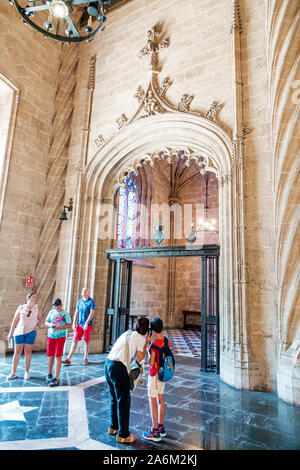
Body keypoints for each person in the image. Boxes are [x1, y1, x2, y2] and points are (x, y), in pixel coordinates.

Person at [104, 317, 152, 445]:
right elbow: (140, 357)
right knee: (124, 401)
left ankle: (113, 427)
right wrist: (147, 342)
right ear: (146, 330)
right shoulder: (140, 338)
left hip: (108, 364)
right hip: (118, 368)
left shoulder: (128, 332)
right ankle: (123, 435)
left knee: (114, 398)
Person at [142, 317, 171, 442]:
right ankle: (161, 427)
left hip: (154, 375)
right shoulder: (166, 340)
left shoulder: (154, 345)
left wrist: (147, 344)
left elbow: (151, 362)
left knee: (152, 400)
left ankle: (154, 431)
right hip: (163, 375)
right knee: (161, 399)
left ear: (152, 330)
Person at [6, 293, 41, 380]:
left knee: (28, 352)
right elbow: (14, 321)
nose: (34, 299)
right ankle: (13, 372)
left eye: (35, 297)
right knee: (17, 352)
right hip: (19, 332)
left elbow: (40, 319)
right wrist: (10, 333)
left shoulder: (36, 308)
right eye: (33, 297)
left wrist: (36, 327)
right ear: (28, 298)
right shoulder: (21, 307)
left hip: (31, 332)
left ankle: (27, 372)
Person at [62, 287, 95, 366]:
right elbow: (76, 312)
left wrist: (87, 323)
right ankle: (69, 358)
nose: (84, 292)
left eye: (86, 290)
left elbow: (92, 313)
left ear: (88, 292)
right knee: (75, 340)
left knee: (86, 341)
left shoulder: (91, 302)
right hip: (79, 324)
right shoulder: (80, 301)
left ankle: (85, 358)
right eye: (83, 290)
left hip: (87, 325)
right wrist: (74, 322)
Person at [45, 298, 72, 387]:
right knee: (50, 355)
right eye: (56, 308)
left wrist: (59, 327)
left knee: (58, 356)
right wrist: (51, 325)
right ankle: (49, 374)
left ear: (61, 305)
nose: (57, 309)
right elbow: (46, 322)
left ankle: (56, 377)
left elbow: (69, 325)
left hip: (60, 337)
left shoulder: (65, 314)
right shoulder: (51, 312)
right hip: (50, 336)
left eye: (59, 307)